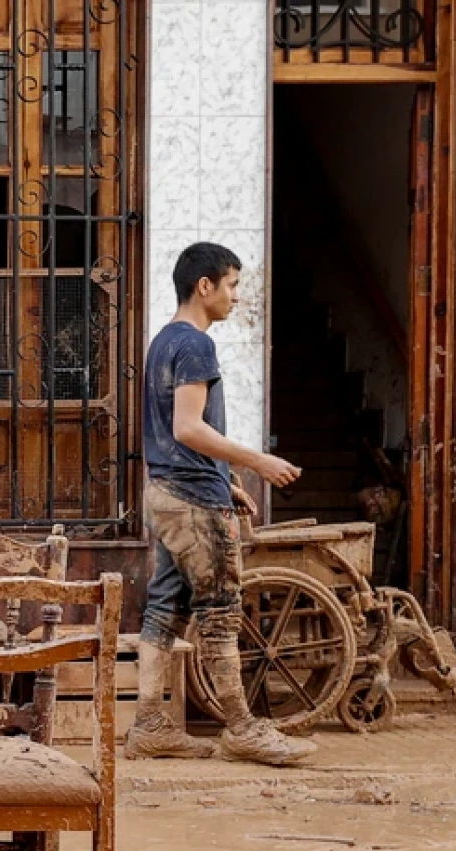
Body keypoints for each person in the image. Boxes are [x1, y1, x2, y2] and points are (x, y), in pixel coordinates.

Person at [125, 241, 315, 766]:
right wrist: (257, 463)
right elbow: (188, 427)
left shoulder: (163, 341)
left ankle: (149, 726)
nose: (236, 295)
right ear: (203, 286)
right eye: (231, 284)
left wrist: (225, 479)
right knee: (221, 612)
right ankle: (241, 728)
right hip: (191, 501)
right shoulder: (196, 346)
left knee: (164, 610)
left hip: (165, 493)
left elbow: (169, 430)